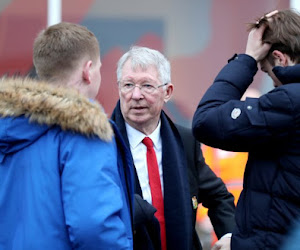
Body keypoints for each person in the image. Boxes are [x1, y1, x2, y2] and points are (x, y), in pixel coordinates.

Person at [0, 22, 134, 249]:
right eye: (99, 68)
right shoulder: (85, 128)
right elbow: (94, 227)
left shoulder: (7, 126)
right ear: (88, 70)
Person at [192, 9, 300, 250]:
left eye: (265, 70)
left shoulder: (289, 101)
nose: (272, 83)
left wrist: (248, 58)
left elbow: (206, 121)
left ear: (280, 59)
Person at [110, 46, 235, 250]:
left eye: (147, 86)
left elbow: (219, 196)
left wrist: (230, 236)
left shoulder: (184, 140)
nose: (136, 95)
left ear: (167, 92)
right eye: (128, 85)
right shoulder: (103, 143)